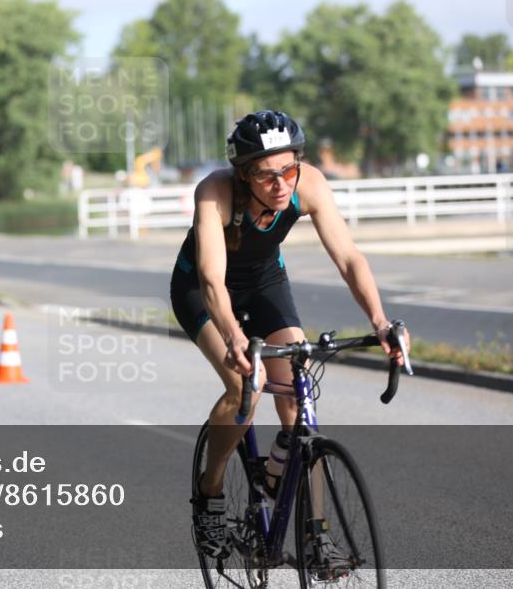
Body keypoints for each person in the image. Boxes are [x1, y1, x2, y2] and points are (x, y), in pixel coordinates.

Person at [173, 111, 410, 560]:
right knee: (247, 384)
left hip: (264, 282)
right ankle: (211, 491)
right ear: (243, 175)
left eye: (288, 169)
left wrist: (380, 321)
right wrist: (235, 339)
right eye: (265, 175)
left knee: (299, 392)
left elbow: (349, 258)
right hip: (202, 291)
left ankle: (315, 534)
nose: (281, 184)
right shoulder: (216, 193)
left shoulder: (310, 183)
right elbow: (210, 278)